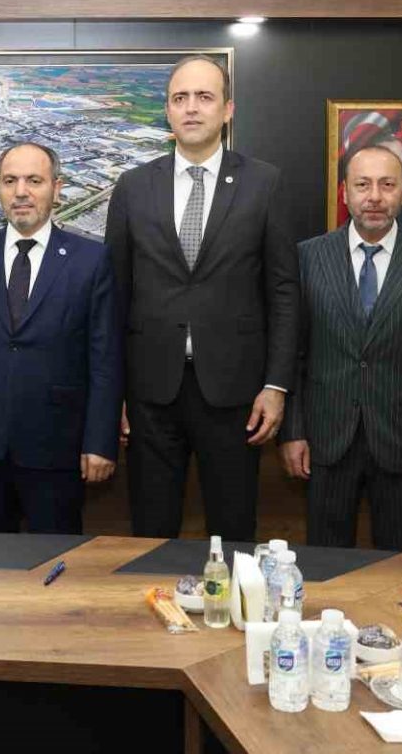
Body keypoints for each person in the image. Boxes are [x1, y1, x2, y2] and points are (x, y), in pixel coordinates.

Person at [105, 53, 299, 541]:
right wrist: (114, 393)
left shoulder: (264, 183)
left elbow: (283, 291)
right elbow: (114, 296)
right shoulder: (132, 187)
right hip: (150, 391)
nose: (191, 107)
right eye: (180, 98)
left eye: (204, 97)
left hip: (236, 393)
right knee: (151, 533)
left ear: (227, 110)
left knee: (233, 533)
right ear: (167, 111)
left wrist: (276, 386)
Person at [0, 142, 121, 534]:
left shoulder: (91, 259)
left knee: (57, 560)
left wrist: (100, 441)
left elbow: (105, 361)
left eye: (34, 181)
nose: (21, 192)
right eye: (9, 181)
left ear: (56, 188)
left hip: (58, 447)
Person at [280, 144, 402, 551]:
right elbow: (294, 356)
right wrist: (293, 431)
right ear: (345, 193)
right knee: (325, 567)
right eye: (363, 185)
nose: (375, 196)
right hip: (326, 442)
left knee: (400, 566)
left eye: (387, 185)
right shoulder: (307, 258)